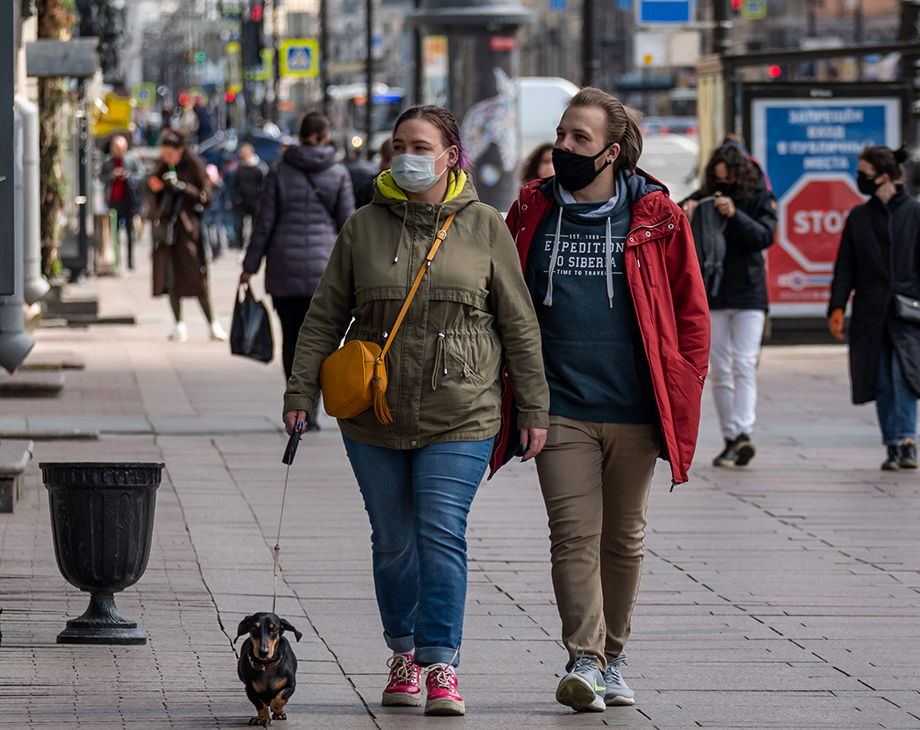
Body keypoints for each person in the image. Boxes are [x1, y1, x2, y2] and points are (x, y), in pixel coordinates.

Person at [281, 105, 549, 717]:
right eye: (399, 144)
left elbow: (519, 324)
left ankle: (440, 664)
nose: (408, 154)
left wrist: (534, 403)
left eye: (421, 145)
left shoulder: (484, 227)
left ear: (451, 154)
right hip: (373, 414)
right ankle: (401, 653)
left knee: (439, 533)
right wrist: (301, 394)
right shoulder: (362, 227)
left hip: (463, 411)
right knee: (394, 540)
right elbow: (323, 317)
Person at [504, 87, 710, 713]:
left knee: (624, 538)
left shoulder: (658, 217)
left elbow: (692, 314)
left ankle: (614, 656)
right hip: (558, 407)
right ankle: (585, 659)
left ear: (612, 153)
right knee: (573, 535)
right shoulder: (530, 211)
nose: (563, 147)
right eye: (562, 134)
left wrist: (684, 382)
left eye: (579, 140)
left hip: (636, 409)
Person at [828, 146, 920, 470]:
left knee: (904, 376)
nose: (859, 179)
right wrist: (836, 307)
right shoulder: (859, 217)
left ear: (883, 176)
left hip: (909, 314)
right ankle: (892, 445)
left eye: (864, 173)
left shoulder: (916, 214)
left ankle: (908, 441)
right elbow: (845, 268)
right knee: (880, 378)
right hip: (870, 313)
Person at [241, 113, 355, 430]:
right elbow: (349, 225)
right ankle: (314, 411)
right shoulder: (338, 173)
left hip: (284, 271)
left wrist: (250, 266)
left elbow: (263, 223)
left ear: (302, 135)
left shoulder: (279, 172)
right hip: (324, 273)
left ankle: (297, 408)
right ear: (323, 136)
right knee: (322, 342)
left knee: (291, 340)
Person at [681, 143, 777, 467]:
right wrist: (690, 210)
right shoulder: (706, 194)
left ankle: (743, 431)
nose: (723, 189)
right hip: (714, 294)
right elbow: (677, 215)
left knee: (745, 363)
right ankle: (732, 436)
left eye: (729, 182)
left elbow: (764, 236)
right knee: (720, 369)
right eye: (718, 182)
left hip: (749, 294)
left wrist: (735, 215)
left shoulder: (760, 197)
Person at [147, 130, 225, 342]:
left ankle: (212, 323)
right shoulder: (162, 168)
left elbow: (206, 198)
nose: (166, 158)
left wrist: (183, 188)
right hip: (168, 231)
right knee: (170, 278)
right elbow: (151, 191)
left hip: (188, 231)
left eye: (169, 154)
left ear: (180, 150)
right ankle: (179, 324)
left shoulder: (194, 167)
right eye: (163, 154)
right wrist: (156, 188)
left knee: (195, 276)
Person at [98, 135, 144, 271]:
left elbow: (141, 174)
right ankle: (116, 260)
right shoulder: (107, 162)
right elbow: (101, 177)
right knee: (115, 232)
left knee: (130, 232)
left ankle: (130, 260)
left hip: (129, 199)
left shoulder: (132, 160)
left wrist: (129, 176)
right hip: (114, 200)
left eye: (120, 149)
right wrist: (112, 176)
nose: (118, 152)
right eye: (115, 149)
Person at [230, 143, 268, 250]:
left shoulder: (259, 168)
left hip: (256, 201)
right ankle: (241, 244)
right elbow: (235, 184)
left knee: (255, 224)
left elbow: (264, 184)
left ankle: (254, 245)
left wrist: (260, 198)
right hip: (243, 200)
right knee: (240, 224)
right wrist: (236, 196)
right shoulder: (240, 168)